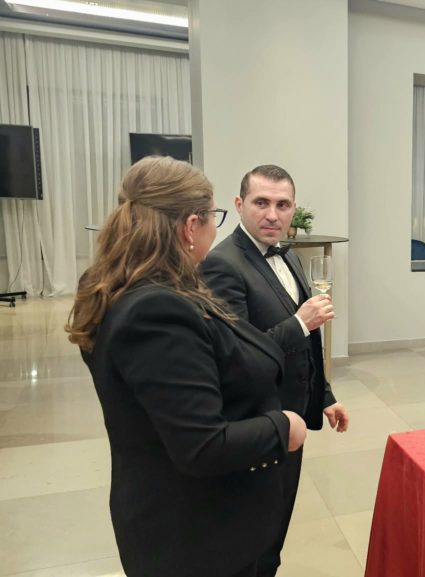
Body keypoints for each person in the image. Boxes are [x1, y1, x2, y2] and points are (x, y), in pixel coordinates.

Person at [66, 156, 307, 577]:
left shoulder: (145, 284)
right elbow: (202, 445)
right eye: (214, 216)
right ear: (190, 226)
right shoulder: (157, 308)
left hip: (195, 518)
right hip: (196, 531)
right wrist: (283, 427)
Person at [200, 165, 349, 577]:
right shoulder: (222, 265)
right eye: (261, 202)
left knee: (276, 528)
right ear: (239, 204)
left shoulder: (289, 255)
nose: (272, 214)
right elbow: (235, 357)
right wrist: (300, 322)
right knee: (252, 539)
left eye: (282, 205)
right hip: (255, 421)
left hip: (292, 415)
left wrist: (324, 395)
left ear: (293, 209)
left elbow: (307, 345)